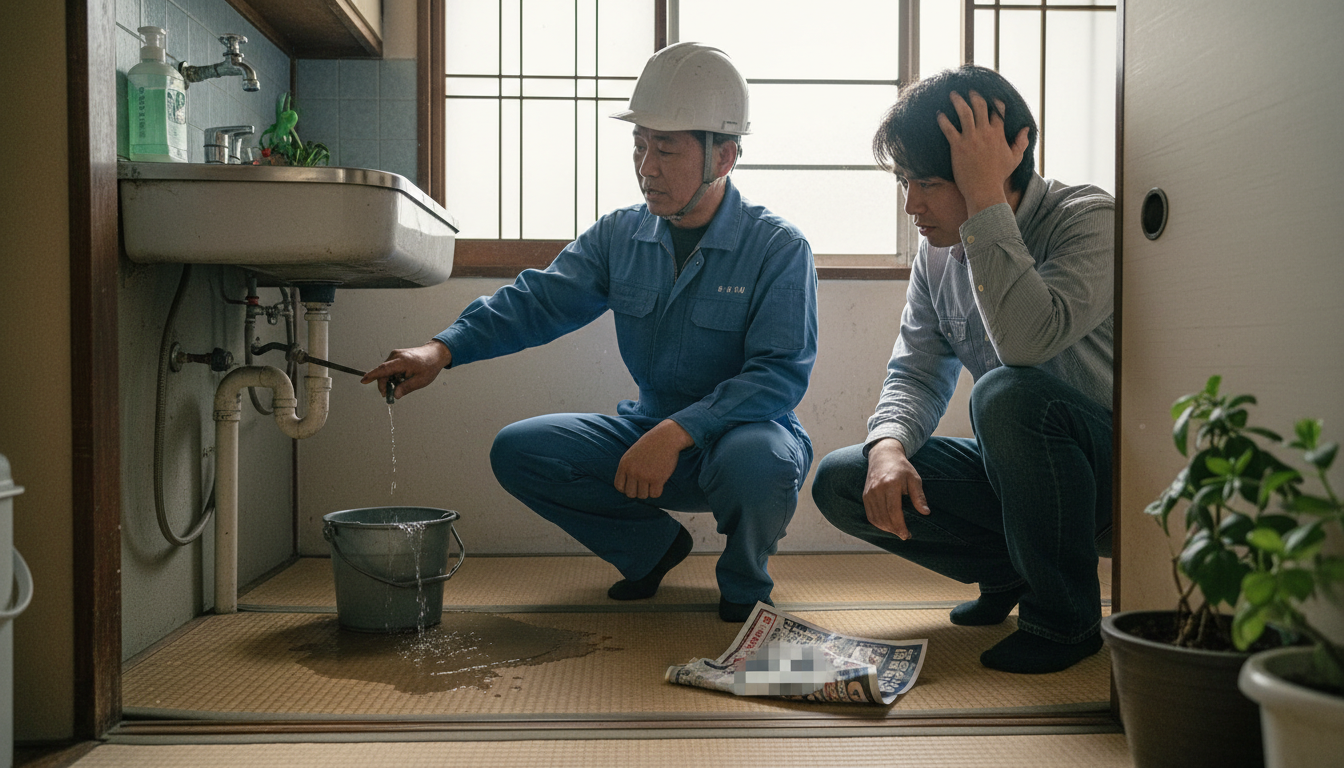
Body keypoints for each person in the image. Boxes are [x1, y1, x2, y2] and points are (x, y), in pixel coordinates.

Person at [362, 43, 818, 623]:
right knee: (522, 450)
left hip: (744, 438)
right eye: (640, 145)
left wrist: (680, 431)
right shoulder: (620, 236)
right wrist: (441, 348)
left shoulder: (778, 248)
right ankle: (651, 552)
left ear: (724, 157)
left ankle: (745, 582)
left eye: (667, 150)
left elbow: (779, 375)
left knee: (759, 459)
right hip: (647, 432)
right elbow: (538, 301)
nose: (646, 166)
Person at [810, 65, 1114, 674]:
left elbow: (1028, 342)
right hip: (1019, 480)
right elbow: (916, 371)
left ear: (1001, 163)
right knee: (845, 478)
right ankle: (1011, 572)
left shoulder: (1088, 220)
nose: (910, 204)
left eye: (927, 183)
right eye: (904, 181)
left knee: (1007, 393)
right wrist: (889, 446)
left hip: (1109, 478)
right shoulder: (937, 252)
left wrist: (982, 200)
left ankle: (1065, 621)